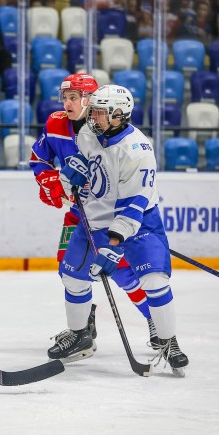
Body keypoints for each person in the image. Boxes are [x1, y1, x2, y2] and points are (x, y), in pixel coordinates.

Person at [51, 84, 189, 376]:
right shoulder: (89, 133)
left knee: (154, 281)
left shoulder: (137, 151)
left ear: (119, 115)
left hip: (139, 224)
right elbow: (91, 168)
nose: (94, 118)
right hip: (96, 219)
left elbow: (133, 205)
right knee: (72, 279)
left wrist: (113, 246)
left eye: (101, 113)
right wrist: (71, 175)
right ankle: (79, 335)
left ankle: (168, 341)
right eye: (95, 112)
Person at [29, 73, 159, 361]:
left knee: (124, 273)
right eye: (64, 97)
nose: (67, 103)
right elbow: (39, 157)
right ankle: (83, 333)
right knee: (69, 269)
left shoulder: (107, 130)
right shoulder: (55, 123)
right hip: (78, 214)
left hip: (110, 217)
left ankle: (155, 321)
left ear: (90, 100)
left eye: (74, 97)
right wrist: (49, 180)